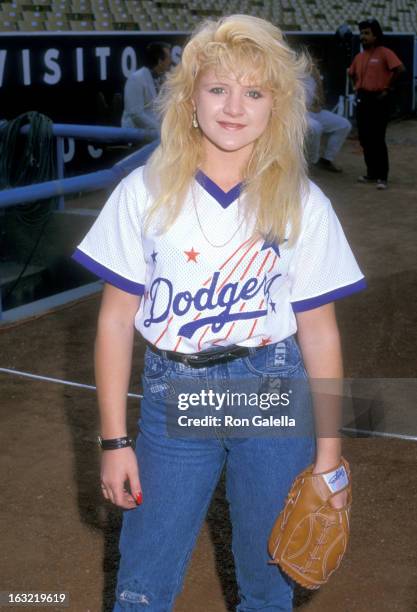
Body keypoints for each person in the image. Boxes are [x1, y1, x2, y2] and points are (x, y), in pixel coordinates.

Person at [73, 14, 366, 611]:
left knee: (268, 585)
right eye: (218, 88)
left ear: (277, 106)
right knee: (142, 585)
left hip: (271, 390)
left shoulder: (302, 202)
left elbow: (318, 329)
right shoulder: (144, 191)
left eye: (254, 92)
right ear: (190, 99)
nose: (235, 107)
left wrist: (330, 455)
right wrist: (112, 440)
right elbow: (113, 321)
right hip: (174, 393)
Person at [348, 18, 405, 190]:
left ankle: (382, 176)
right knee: (365, 138)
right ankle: (371, 173)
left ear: (375, 35)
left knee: (377, 139)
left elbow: (400, 69)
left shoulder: (384, 52)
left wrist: (388, 89)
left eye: (367, 33)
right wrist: (354, 86)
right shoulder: (359, 57)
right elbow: (351, 73)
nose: (363, 37)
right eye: (361, 33)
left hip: (379, 100)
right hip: (363, 99)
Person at [305, 60, 352, 172]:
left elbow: (321, 100)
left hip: (314, 112)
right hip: (299, 114)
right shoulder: (289, 76)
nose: (312, 64)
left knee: (344, 125)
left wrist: (319, 103)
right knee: (316, 128)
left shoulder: (314, 77)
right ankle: (312, 161)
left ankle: (326, 160)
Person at [121, 41, 172, 140]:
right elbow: (136, 115)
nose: (170, 61)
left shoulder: (165, 78)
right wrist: (159, 130)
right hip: (136, 135)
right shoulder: (136, 79)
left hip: (156, 134)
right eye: (168, 57)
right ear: (160, 61)